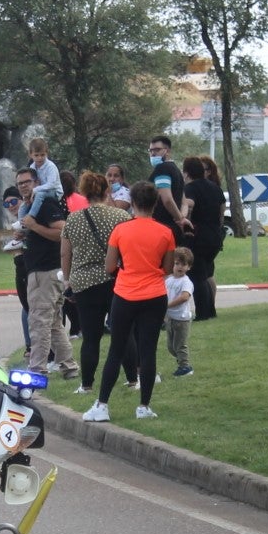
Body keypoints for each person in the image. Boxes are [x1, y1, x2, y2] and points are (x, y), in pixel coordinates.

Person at [82, 182, 176, 423]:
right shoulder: (165, 232)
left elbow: (109, 266)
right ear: (155, 204)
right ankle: (144, 406)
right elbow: (167, 267)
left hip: (125, 294)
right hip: (154, 295)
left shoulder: (121, 230)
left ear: (132, 203)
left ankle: (102, 405)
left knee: (116, 348)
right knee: (148, 351)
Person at [61, 170, 130, 394]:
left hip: (84, 282)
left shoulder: (73, 219)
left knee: (91, 337)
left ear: (84, 192)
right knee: (124, 332)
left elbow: (65, 254)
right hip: (116, 280)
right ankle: (133, 378)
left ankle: (87, 384)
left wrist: (68, 280)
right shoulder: (120, 217)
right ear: (106, 190)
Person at [16, 167, 77, 378]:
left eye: (27, 181)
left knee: (39, 321)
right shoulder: (30, 206)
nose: (23, 185)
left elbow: (63, 231)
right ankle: (69, 367)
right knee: (52, 323)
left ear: (37, 182)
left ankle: (37, 370)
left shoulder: (45, 203)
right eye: (20, 183)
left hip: (46, 271)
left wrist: (34, 226)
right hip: (42, 270)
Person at [181, 155, 223, 322]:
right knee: (205, 274)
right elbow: (221, 213)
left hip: (198, 236)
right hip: (214, 236)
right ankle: (210, 310)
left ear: (186, 172)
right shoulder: (215, 188)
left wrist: (184, 217)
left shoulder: (190, 188)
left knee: (197, 276)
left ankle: (203, 312)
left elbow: (189, 204)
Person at [147, 134, 193, 244]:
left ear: (167, 151)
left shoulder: (162, 169)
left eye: (157, 150)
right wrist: (181, 217)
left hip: (161, 226)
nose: (153, 153)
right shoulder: (176, 170)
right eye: (151, 150)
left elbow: (166, 198)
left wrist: (180, 219)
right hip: (174, 229)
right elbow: (184, 203)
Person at [17, 137, 63, 229]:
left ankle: (31, 216)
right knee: (23, 205)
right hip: (38, 191)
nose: (40, 158)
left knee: (40, 195)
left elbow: (51, 184)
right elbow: (34, 182)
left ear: (47, 153)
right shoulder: (32, 166)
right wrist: (27, 196)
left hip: (54, 192)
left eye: (42, 155)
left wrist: (35, 190)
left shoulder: (50, 167)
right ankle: (21, 226)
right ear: (31, 155)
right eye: (36, 155)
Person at [164, 249, 195, 378]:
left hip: (181, 319)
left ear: (189, 267)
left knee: (180, 345)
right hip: (170, 318)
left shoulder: (186, 282)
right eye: (177, 263)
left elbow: (184, 297)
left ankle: (185, 367)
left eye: (183, 264)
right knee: (171, 347)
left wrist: (167, 306)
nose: (180, 267)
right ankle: (182, 361)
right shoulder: (169, 280)